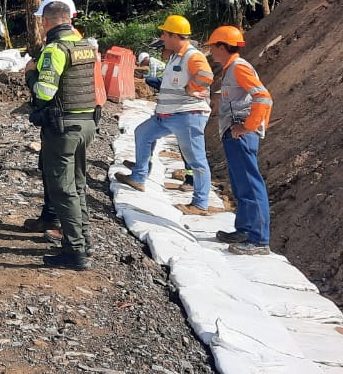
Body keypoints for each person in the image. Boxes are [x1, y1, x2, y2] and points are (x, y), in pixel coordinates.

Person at [114, 15, 216, 215]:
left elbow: (206, 76)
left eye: (165, 34)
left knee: (196, 160)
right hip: (167, 115)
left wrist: (191, 88)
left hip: (187, 114)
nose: (162, 37)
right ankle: (139, 177)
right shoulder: (175, 56)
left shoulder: (192, 56)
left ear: (175, 35)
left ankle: (200, 204)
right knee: (143, 133)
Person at [25, 0, 98, 270]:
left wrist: (30, 74)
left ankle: (75, 250)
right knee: (78, 185)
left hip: (63, 127)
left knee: (62, 188)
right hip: (87, 123)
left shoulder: (55, 51)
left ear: (47, 22)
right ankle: (84, 239)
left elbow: (45, 91)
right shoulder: (85, 47)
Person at [205, 25, 275, 255]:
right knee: (240, 184)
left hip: (242, 136)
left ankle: (259, 240)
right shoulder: (230, 68)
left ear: (222, 46)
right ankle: (244, 229)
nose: (211, 52)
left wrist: (247, 127)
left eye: (213, 47)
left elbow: (263, 98)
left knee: (252, 186)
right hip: (234, 135)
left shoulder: (238, 68)